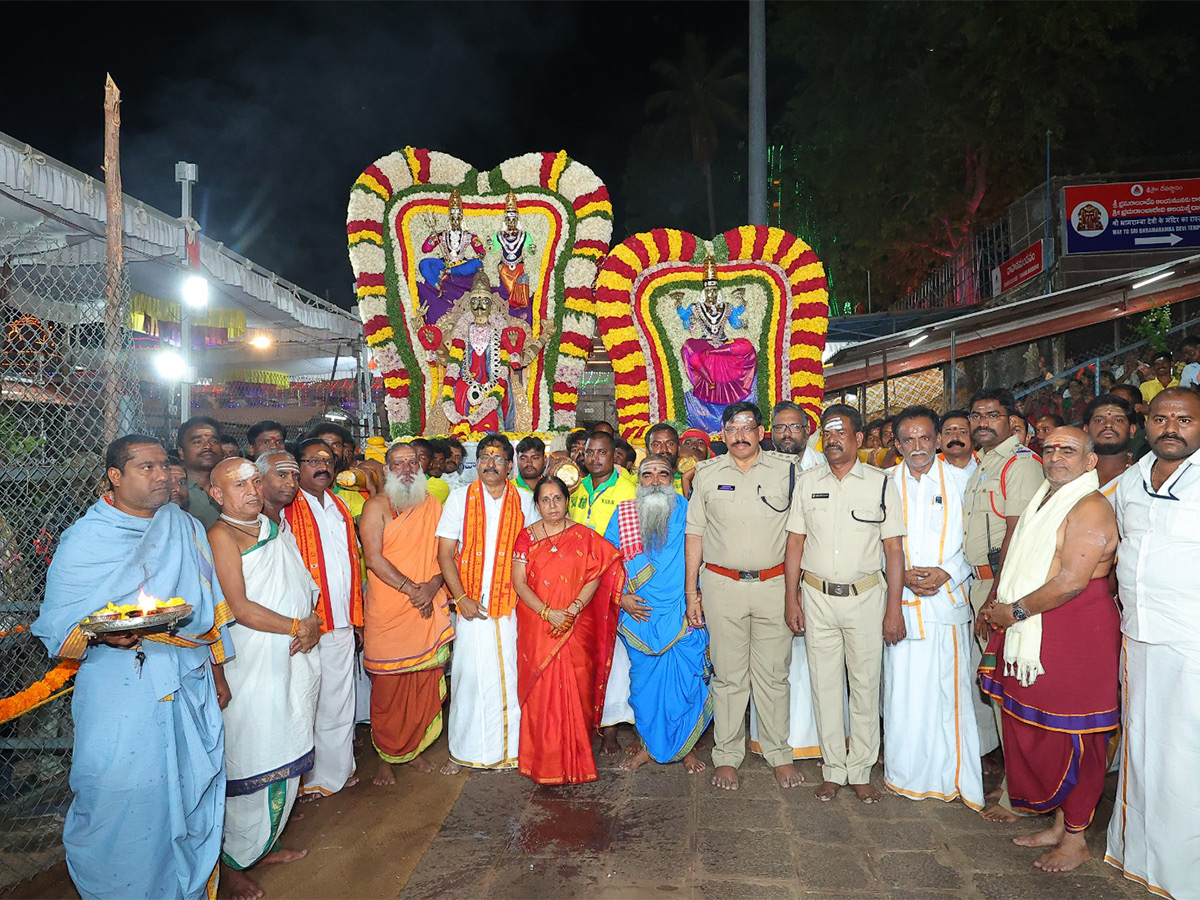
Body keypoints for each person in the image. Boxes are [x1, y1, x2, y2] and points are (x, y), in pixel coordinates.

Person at [32, 435, 233, 900]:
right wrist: (102, 633)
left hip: (188, 672)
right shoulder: (86, 538)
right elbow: (58, 622)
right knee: (119, 792)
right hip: (119, 682)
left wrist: (219, 672)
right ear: (115, 477)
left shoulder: (184, 526)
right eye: (147, 467)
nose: (163, 475)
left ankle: (185, 887)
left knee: (188, 787)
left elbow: (210, 605)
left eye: (165, 465)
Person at [979, 427, 1120, 873]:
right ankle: (1061, 825)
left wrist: (1013, 614)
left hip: (1074, 632)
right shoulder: (1045, 497)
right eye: (1051, 448)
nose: (1057, 456)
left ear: (1090, 461)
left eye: (1070, 450)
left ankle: (1076, 840)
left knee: (1073, 736)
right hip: (1039, 630)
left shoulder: (1091, 508)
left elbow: (1070, 581)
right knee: (1037, 730)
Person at [207, 458, 321, 898]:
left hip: (292, 654)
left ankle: (261, 845)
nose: (252, 491)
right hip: (254, 661)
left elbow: (303, 584)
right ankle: (231, 862)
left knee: (287, 743)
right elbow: (239, 608)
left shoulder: (273, 528)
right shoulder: (221, 535)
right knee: (251, 753)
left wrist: (309, 620)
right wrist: (299, 627)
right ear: (217, 494)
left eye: (256, 481)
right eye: (238, 485)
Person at [784, 404, 906, 803]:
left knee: (866, 686)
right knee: (824, 686)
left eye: (841, 433)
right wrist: (792, 599)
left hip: (867, 598)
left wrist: (894, 608)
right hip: (817, 597)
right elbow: (795, 543)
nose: (833, 440)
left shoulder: (881, 482)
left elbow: (893, 550)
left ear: (858, 439)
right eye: (828, 434)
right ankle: (833, 768)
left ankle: (861, 769)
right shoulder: (807, 482)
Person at [1105, 388, 1200, 897]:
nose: (1171, 428)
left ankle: (1187, 871)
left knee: (1188, 754)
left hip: (1192, 640)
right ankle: (1140, 852)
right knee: (1142, 747)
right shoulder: (1133, 478)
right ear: (1146, 424)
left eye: (1184, 419)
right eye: (1161, 418)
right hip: (1138, 636)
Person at [686, 401, 804, 791]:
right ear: (722, 435)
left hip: (774, 586)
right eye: (732, 428)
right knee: (729, 676)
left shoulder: (788, 471)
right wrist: (692, 593)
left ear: (760, 432)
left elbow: (798, 536)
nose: (740, 435)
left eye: (747, 427)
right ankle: (727, 755)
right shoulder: (705, 474)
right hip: (722, 587)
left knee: (773, 675)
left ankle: (778, 753)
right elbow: (695, 535)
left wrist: (794, 592)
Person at [882, 408, 983, 810]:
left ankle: (952, 779)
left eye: (925, 438)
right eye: (908, 440)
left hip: (946, 601)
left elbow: (973, 541)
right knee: (901, 694)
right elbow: (877, 541)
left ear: (939, 439)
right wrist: (899, 575)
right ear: (897, 445)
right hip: (900, 603)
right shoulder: (886, 483)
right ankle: (904, 774)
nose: (918, 447)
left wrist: (947, 572)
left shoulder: (964, 480)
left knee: (948, 694)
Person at [962, 388, 1044, 822]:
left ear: (1012, 421)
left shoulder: (1020, 464)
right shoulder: (984, 465)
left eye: (992, 415)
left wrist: (996, 599)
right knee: (995, 692)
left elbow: (1018, 535)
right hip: (982, 586)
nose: (982, 422)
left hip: (1002, 590)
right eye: (976, 415)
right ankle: (1014, 781)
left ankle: (1021, 794)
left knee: (1008, 694)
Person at [512, 476, 625, 784]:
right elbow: (519, 583)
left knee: (576, 690)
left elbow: (598, 573)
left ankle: (577, 761)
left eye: (557, 499)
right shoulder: (526, 538)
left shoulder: (584, 537)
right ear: (537, 505)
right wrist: (548, 613)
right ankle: (543, 764)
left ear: (566, 501)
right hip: (539, 624)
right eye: (545, 500)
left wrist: (573, 609)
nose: (552, 505)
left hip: (575, 624)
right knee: (541, 694)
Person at [436, 433, 538, 773]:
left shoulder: (525, 501)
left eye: (497, 459)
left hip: (512, 606)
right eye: (483, 457)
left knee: (510, 675)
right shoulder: (459, 498)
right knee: (469, 678)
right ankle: (464, 751)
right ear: (476, 463)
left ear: (510, 466)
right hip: (471, 607)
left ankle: (512, 751)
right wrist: (460, 598)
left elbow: (536, 553)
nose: (489, 464)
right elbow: (445, 553)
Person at [605, 455, 712, 774]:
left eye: (662, 474)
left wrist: (700, 595)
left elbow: (707, 552)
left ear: (673, 479)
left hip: (682, 609)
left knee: (688, 684)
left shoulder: (689, 509)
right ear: (639, 481)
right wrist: (621, 597)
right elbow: (607, 563)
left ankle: (685, 748)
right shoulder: (624, 514)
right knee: (644, 688)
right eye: (647, 475)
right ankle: (649, 747)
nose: (654, 481)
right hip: (640, 617)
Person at [357, 443, 453, 783]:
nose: (407, 469)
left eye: (413, 462)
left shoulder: (433, 505)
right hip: (391, 608)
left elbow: (447, 552)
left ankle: (412, 750)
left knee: (423, 682)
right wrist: (414, 589)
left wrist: (432, 586)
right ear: (386, 470)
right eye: (399, 463)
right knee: (388, 687)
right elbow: (374, 559)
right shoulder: (375, 507)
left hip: (426, 603)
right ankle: (386, 756)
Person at [284, 437, 363, 799]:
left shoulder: (338, 505)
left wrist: (357, 617)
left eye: (328, 459)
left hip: (342, 618)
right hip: (306, 624)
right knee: (307, 701)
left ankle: (335, 771)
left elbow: (349, 564)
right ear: (297, 466)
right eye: (312, 459)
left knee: (339, 699)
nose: (322, 466)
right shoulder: (287, 508)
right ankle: (307, 777)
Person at [748, 401, 823, 763]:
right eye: (780, 428)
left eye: (794, 427)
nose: (787, 434)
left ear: (808, 431)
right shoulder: (758, 467)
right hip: (769, 578)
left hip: (815, 579)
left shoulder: (824, 467)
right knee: (768, 662)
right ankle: (769, 740)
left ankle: (813, 738)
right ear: (769, 433)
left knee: (814, 663)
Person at [568, 430, 639, 754]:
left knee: (614, 657)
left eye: (602, 452)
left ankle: (610, 727)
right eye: (590, 452)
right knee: (583, 655)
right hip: (577, 582)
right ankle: (586, 721)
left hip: (612, 580)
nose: (595, 458)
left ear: (614, 456)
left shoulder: (628, 490)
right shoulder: (575, 488)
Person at [1082, 393, 1137, 497]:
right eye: (1099, 420)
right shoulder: (1072, 475)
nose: (1108, 425)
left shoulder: (1141, 477)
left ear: (1132, 430)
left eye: (1118, 420)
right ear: (1086, 430)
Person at [177, 415, 224, 529]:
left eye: (214, 441)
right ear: (182, 452)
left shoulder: (233, 485)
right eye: (198, 441)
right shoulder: (175, 490)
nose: (208, 446)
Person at [938, 409, 978, 475]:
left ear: (974, 440)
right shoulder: (929, 467)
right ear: (938, 440)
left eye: (962, 432)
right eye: (948, 433)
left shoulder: (986, 463)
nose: (955, 438)